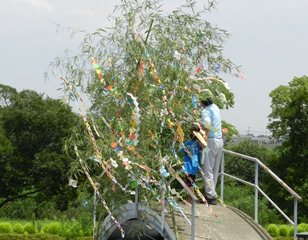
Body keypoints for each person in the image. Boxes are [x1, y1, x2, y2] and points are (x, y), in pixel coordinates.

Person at [198, 90, 223, 205]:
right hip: (219, 141)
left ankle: (210, 196)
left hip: (210, 142)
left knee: (207, 169)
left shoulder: (205, 111)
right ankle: (212, 193)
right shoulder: (215, 107)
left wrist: (204, 137)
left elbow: (208, 125)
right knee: (214, 169)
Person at [180, 125, 203, 202]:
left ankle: (192, 197)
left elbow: (180, 150)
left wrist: (180, 142)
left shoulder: (187, 143)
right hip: (195, 165)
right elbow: (207, 150)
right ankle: (191, 197)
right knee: (191, 181)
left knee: (188, 182)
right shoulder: (199, 144)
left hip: (188, 166)